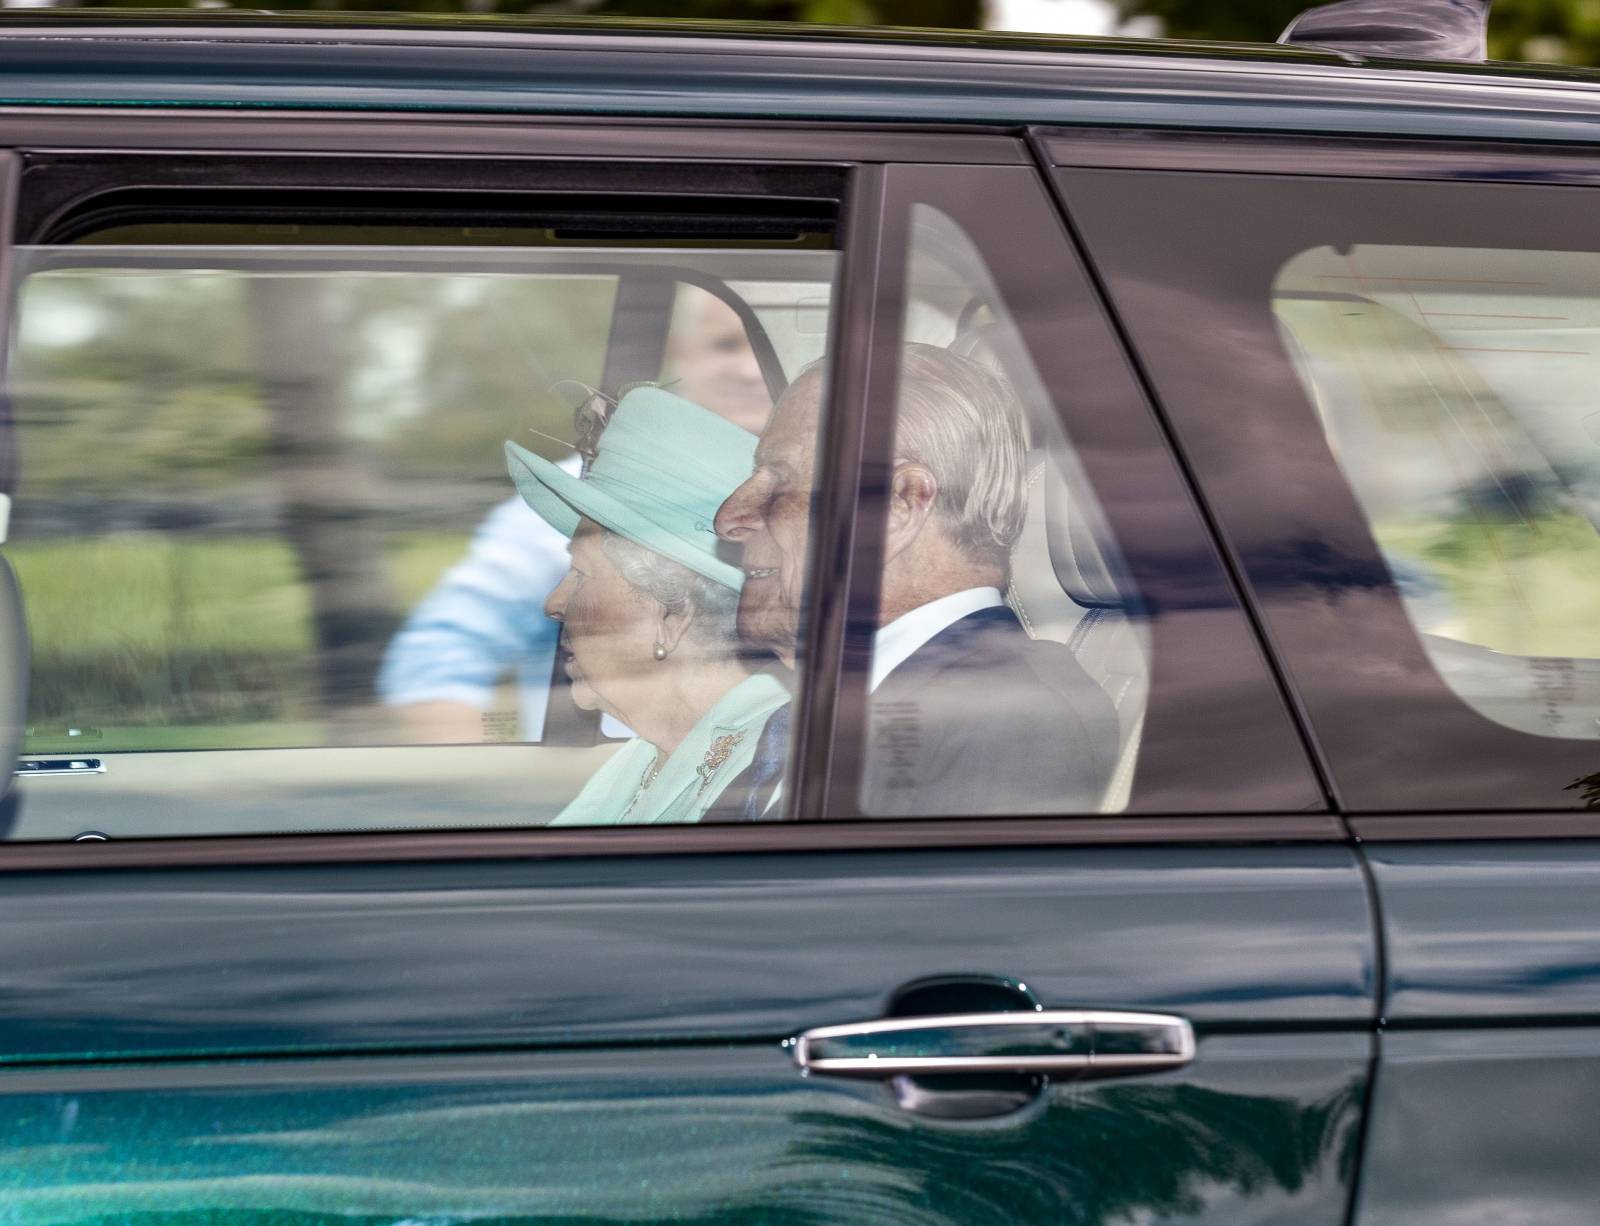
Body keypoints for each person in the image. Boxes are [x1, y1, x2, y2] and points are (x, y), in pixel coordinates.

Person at [713, 343, 1120, 818]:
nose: (729, 518)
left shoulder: (1011, 722)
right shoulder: (843, 708)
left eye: (780, 479)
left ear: (898, 506)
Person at [378, 287, 772, 743]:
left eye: (761, 348)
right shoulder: (577, 496)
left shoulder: (841, 504)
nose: (748, 370)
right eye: (725, 345)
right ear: (680, 352)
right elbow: (436, 661)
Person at [504, 385, 787, 824]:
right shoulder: (651, 756)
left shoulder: (770, 767)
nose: (554, 603)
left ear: (672, 616)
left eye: (580, 574)